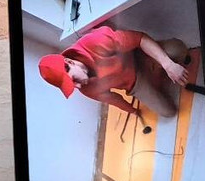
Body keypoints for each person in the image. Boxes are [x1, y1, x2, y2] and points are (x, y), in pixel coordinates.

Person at [37, 25, 196, 133]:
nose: (78, 87)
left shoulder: (95, 41)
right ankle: (156, 77)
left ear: (69, 63)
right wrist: (132, 110)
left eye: (74, 81)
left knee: (177, 49)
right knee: (169, 112)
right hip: (135, 84)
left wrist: (168, 64)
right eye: (72, 86)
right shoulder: (86, 89)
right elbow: (113, 99)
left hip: (139, 55)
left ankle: (161, 68)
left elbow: (140, 38)